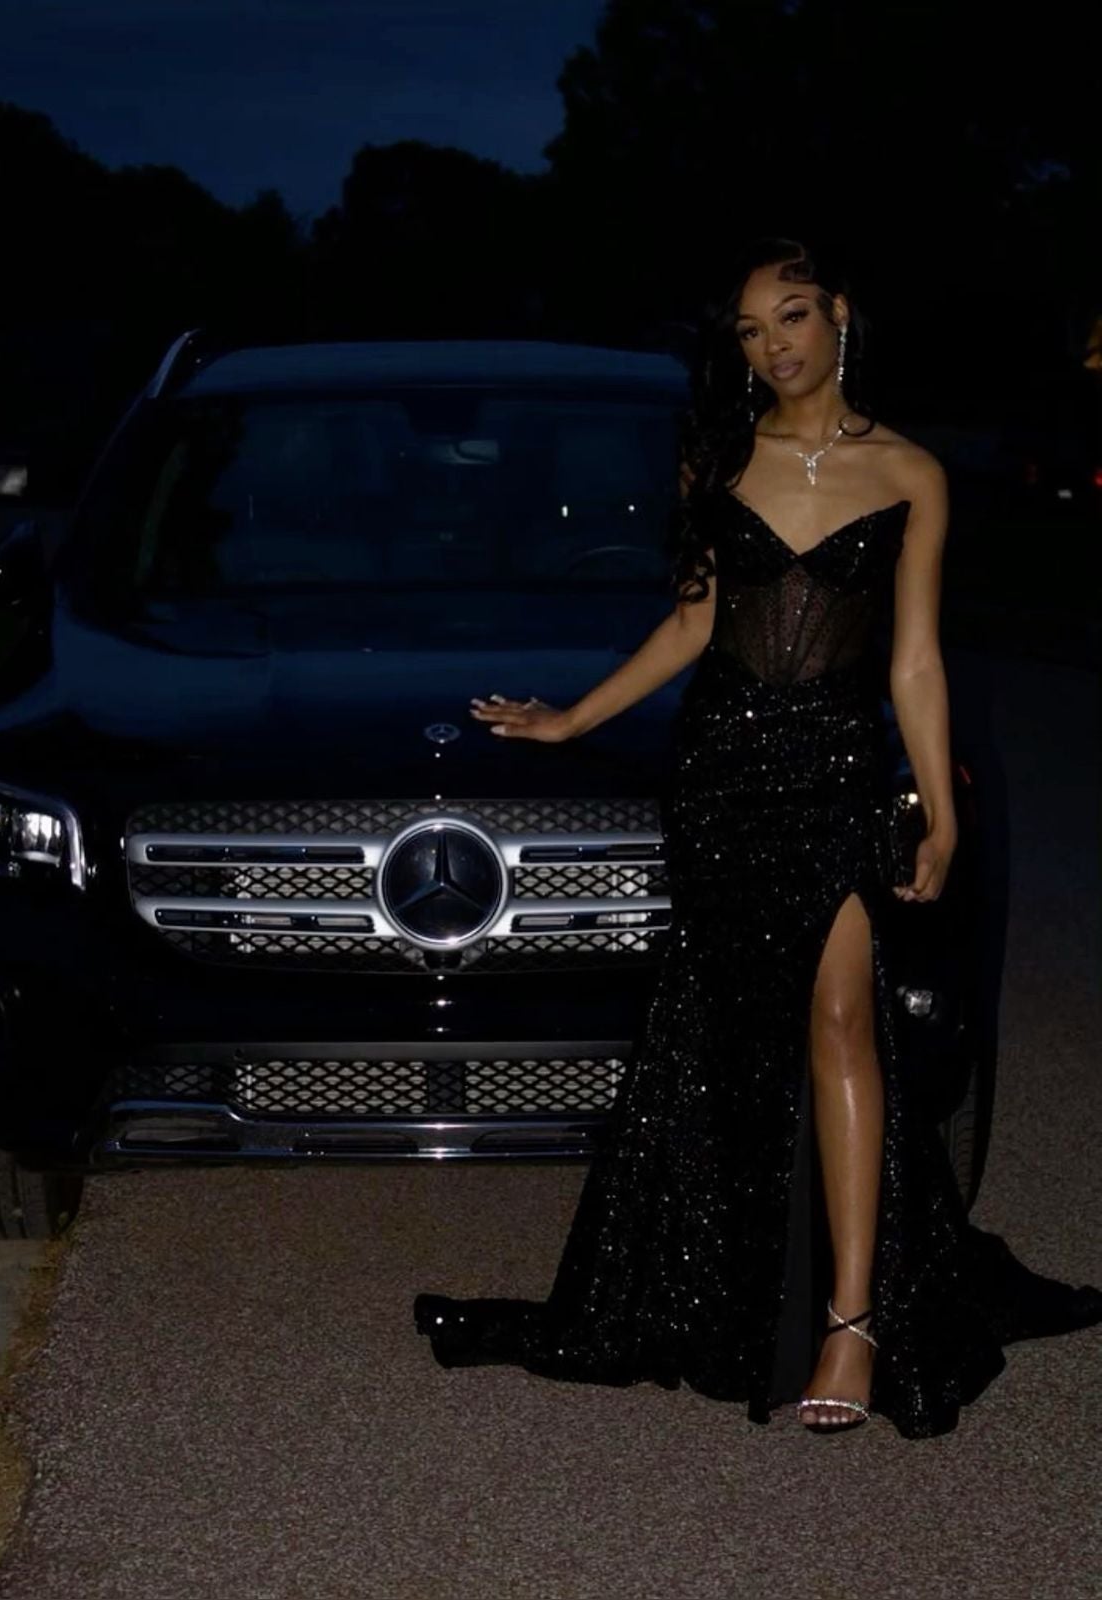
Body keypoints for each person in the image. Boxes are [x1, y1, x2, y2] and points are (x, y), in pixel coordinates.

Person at [413, 236, 1101, 1438]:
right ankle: (746, 1279)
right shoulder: (721, 457)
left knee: (841, 1018)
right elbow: (693, 627)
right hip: (721, 782)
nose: (772, 343)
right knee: (732, 1039)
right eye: (749, 328)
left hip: (837, 776)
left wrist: (941, 812)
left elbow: (915, 660)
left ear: (839, 314)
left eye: (790, 315)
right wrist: (571, 717)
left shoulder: (910, 472)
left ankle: (852, 1321)